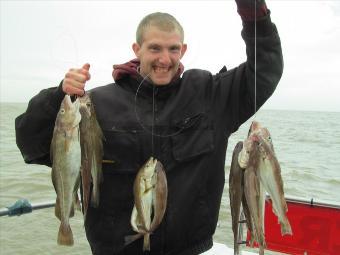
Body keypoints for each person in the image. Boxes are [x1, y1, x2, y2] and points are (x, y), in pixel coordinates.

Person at [15, 0, 283, 254]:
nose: (164, 59)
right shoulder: (95, 104)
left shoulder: (210, 95)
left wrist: (253, 11)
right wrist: (57, 96)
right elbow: (31, 145)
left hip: (189, 249)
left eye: (173, 49)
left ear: (184, 50)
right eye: (155, 48)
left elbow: (266, 69)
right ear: (137, 49)